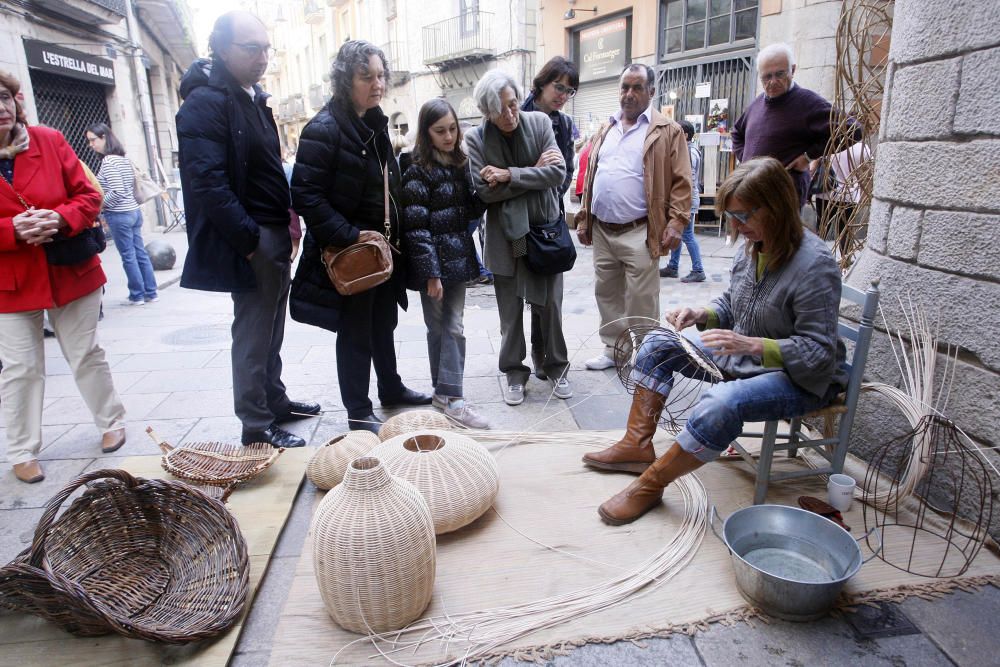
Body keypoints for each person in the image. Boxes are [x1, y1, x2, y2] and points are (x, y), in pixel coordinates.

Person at [585, 157, 848, 525]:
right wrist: (701, 314)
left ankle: (651, 484)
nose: (737, 227)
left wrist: (755, 346)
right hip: (746, 354)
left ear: (777, 208)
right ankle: (636, 445)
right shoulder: (755, 244)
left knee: (721, 402)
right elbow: (733, 302)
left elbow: (819, 353)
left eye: (744, 216)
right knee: (657, 346)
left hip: (803, 377)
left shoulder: (815, 264)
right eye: (732, 217)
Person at [175, 11, 318, 448]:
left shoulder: (252, 97)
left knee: (272, 327)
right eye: (250, 48)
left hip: (273, 232)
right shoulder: (207, 102)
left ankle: (275, 402)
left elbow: (269, 170)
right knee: (254, 333)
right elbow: (209, 184)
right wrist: (250, 242)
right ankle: (256, 425)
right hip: (253, 236)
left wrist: (289, 223)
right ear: (220, 48)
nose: (261, 57)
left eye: (265, 48)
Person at [290, 40, 432, 434]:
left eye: (381, 75)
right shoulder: (323, 128)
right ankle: (358, 409)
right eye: (366, 76)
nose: (377, 83)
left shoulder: (374, 121)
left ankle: (391, 387)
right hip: (352, 250)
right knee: (354, 332)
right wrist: (350, 235)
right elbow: (305, 195)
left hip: (382, 249)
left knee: (383, 321)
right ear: (345, 80)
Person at [0, 71, 127, 484]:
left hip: (69, 270)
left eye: (3, 98)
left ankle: (111, 420)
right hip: (10, 280)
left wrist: (59, 217)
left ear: (16, 101)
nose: (0, 108)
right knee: (20, 368)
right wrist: (12, 231)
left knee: (86, 352)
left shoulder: (49, 140)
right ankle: (21, 450)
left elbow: (90, 196)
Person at [465, 70, 571, 406]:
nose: (510, 114)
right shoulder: (476, 139)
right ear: (487, 113)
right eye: (501, 110)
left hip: (543, 231)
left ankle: (556, 367)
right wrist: (533, 172)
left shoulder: (539, 123)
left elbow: (557, 172)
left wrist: (509, 174)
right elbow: (484, 192)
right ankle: (514, 371)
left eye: (513, 104)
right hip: (508, 237)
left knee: (549, 305)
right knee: (510, 309)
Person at [576, 64, 691, 371]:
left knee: (642, 298)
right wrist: (585, 218)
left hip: (640, 228)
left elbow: (682, 182)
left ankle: (648, 353)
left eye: (637, 87)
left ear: (651, 92)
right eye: (625, 87)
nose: (629, 94)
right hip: (602, 229)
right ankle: (615, 351)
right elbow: (591, 176)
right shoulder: (607, 128)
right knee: (607, 293)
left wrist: (677, 222)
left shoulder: (668, 130)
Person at [401, 99, 490, 428]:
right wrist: (431, 274)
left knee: (450, 328)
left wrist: (482, 188)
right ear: (426, 132)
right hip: (436, 265)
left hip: (459, 259)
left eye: (453, 129)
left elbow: (469, 212)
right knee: (441, 329)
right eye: (440, 131)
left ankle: (447, 396)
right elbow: (416, 226)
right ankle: (452, 398)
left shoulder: (461, 164)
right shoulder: (416, 170)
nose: (449, 136)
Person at [731, 42, 861, 207]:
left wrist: (808, 156)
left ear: (792, 70)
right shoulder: (757, 104)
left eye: (780, 74)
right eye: (767, 76)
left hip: (783, 195)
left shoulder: (808, 103)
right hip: (753, 191)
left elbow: (853, 129)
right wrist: (746, 160)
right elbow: (736, 132)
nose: (773, 81)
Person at [521, 56, 579, 382]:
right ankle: (519, 362)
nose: (562, 95)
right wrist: (537, 174)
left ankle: (545, 356)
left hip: (549, 222)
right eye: (559, 87)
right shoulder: (516, 114)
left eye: (568, 91)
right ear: (543, 82)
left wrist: (547, 183)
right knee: (521, 293)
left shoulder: (565, 124)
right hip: (516, 223)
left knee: (550, 294)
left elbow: (565, 171)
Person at [84, 122, 159, 306]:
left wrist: (100, 204)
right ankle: (151, 291)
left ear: (104, 137)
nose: (91, 145)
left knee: (128, 255)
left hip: (120, 214)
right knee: (139, 252)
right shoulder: (123, 159)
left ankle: (137, 294)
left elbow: (117, 191)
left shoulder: (109, 162)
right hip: (133, 210)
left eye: (93, 140)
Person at [660, 119, 705, 282]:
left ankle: (698, 269)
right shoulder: (688, 150)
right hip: (687, 200)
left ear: (684, 134)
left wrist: (682, 202)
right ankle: (673, 266)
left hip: (688, 201)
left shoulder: (690, 153)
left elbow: (687, 181)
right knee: (677, 232)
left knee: (687, 235)